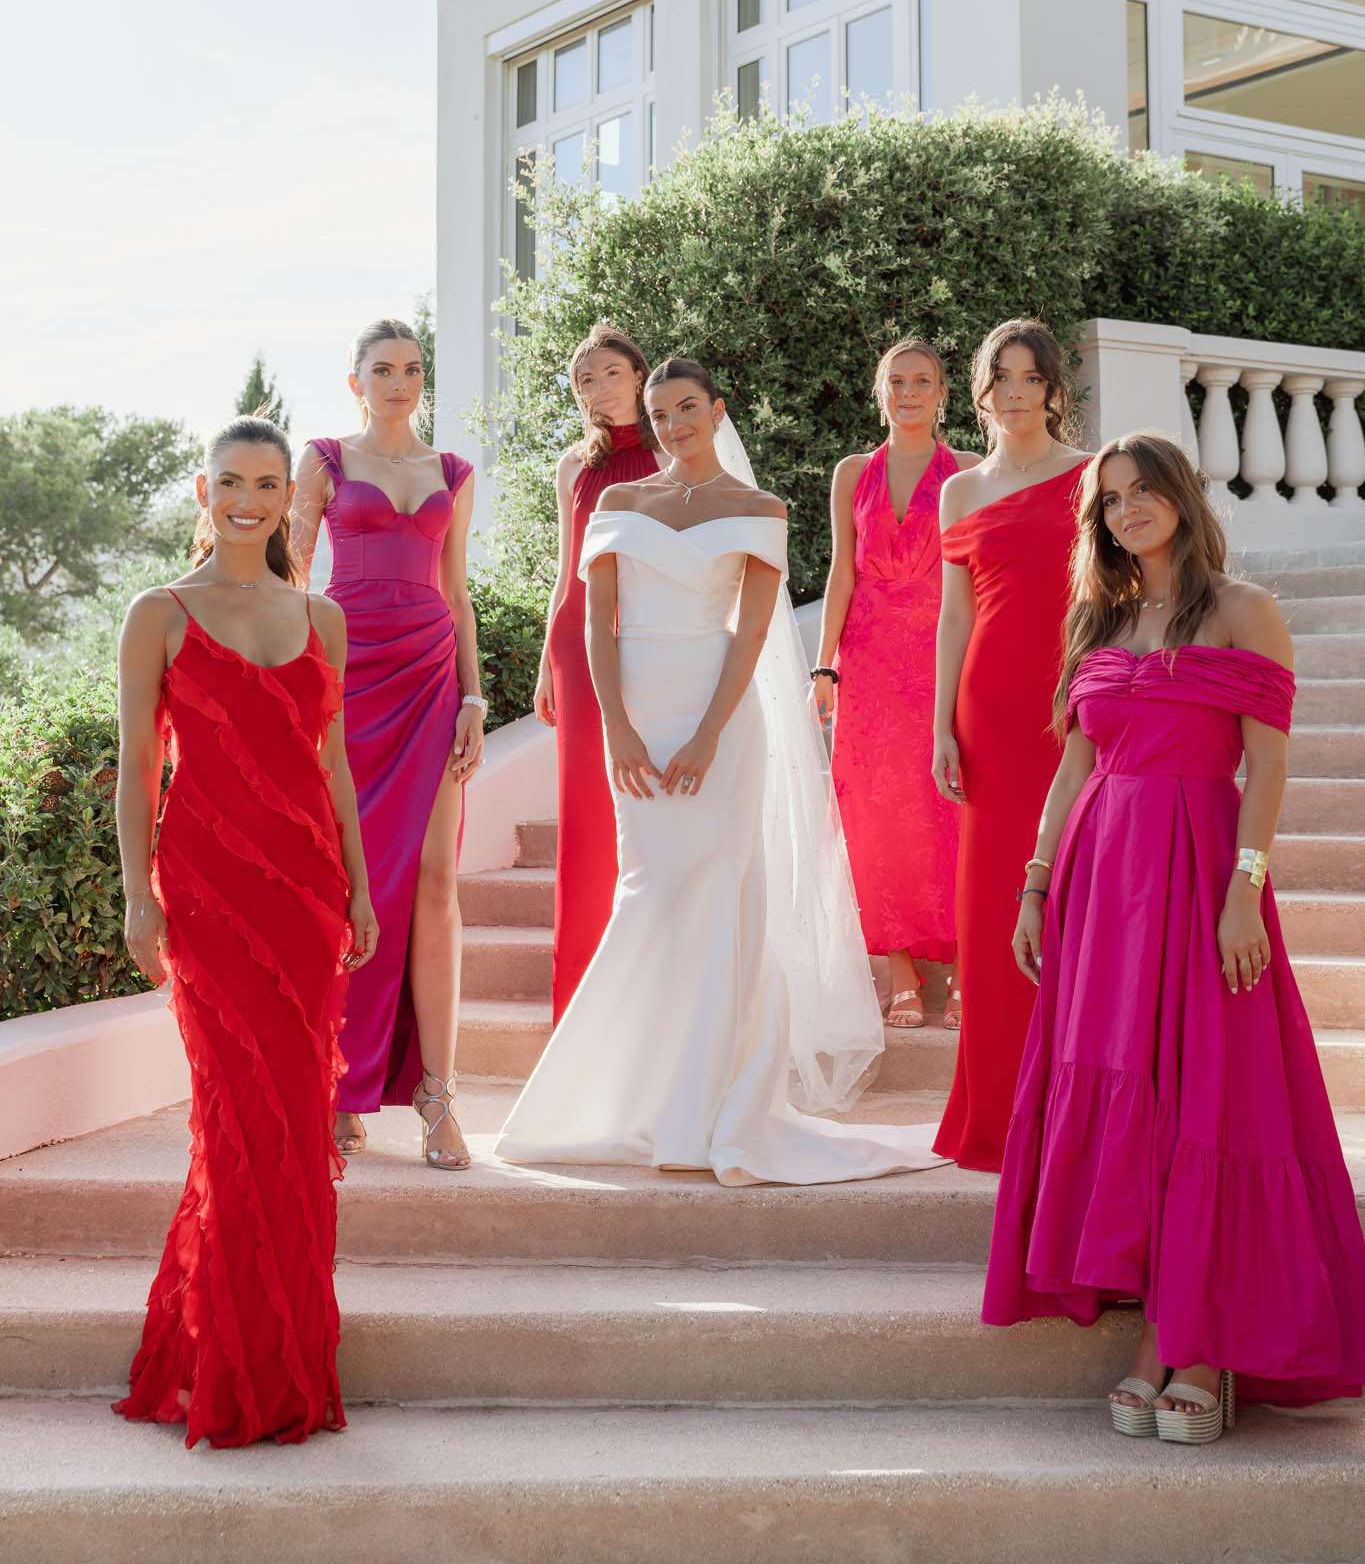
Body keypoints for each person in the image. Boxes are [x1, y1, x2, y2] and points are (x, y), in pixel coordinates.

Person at [983, 433, 1365, 1440]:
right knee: (1133, 1098)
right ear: (1097, 522)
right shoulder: (1097, 617)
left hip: (1201, 873)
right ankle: (1160, 1326)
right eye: (1110, 501)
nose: (1128, 510)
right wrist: (1034, 883)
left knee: (1210, 1095)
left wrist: (1246, 887)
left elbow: (1267, 769)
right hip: (1101, 887)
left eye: (1144, 491)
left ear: (1183, 499)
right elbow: (1072, 772)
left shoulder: (1248, 611)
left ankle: (1194, 1348)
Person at [495, 358, 943, 1185]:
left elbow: (747, 636)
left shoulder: (757, 508)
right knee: (651, 892)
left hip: (720, 721)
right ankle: (623, 1097)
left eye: (687, 408)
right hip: (636, 711)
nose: (672, 425)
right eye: (660, 414)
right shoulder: (620, 502)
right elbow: (600, 626)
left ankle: (708, 1104)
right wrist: (619, 729)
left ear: (717, 410)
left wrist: (707, 733)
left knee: (715, 891)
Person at [113, 416, 378, 1449]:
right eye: (231, 480)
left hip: (306, 897)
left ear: (286, 497)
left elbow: (336, 764)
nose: (248, 497)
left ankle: (284, 1360)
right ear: (202, 487)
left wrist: (357, 886)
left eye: (267, 482)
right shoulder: (158, 613)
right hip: (212, 896)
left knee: (295, 1126)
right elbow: (140, 767)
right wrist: (139, 895)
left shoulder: (323, 614)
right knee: (235, 1119)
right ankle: (229, 1365)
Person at [294, 316, 485, 1169]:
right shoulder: (325, 460)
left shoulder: (450, 471)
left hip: (432, 681)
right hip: (346, 676)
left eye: (411, 368)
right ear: (355, 381)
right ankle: (337, 1081)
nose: (398, 382)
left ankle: (438, 1095)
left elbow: (458, 590)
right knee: (342, 879)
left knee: (437, 879)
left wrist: (475, 695)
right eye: (381, 369)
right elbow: (289, 576)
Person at [931, 319, 1089, 1171]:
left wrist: (1092, 681)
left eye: (1032, 376)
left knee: (1072, 889)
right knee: (993, 904)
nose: (1018, 391)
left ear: (1052, 389)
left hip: (1071, 693)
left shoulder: (1090, 477)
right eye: (1004, 376)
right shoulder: (961, 490)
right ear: (983, 387)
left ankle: (1075, 1107)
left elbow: (1118, 587)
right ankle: (997, 1112)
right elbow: (953, 615)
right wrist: (938, 724)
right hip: (988, 705)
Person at [813, 338, 978, 1030]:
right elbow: (841, 572)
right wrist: (824, 666)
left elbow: (978, 576)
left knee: (954, 808)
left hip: (947, 655)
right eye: (895, 382)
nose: (908, 393)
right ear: (877, 393)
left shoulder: (970, 471)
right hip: (871, 661)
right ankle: (901, 970)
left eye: (922, 381)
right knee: (876, 815)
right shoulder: (853, 472)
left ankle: (970, 965)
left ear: (943, 394)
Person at [534, 323, 659, 1019]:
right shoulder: (570, 466)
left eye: (609, 372)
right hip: (577, 644)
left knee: (645, 808)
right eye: (584, 379)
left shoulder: (671, 451)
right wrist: (548, 667)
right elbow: (566, 566)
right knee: (587, 818)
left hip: (649, 636)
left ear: (638, 376)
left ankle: (647, 995)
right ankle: (580, 1006)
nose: (597, 388)